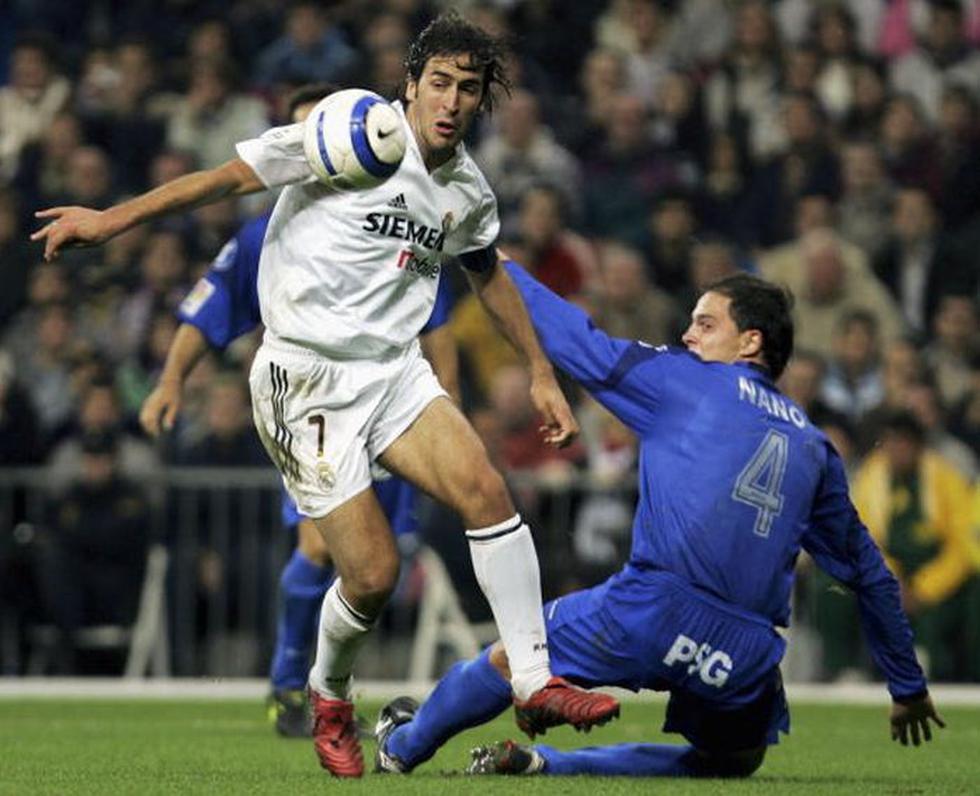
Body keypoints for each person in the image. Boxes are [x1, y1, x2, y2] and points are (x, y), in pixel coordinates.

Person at [32, 14, 618, 778]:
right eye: (437, 82)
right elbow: (228, 177)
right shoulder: (351, 131)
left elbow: (487, 272)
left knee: (485, 489)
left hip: (393, 369)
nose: (449, 100)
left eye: (466, 89)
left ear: (480, 103)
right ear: (410, 85)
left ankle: (535, 682)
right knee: (370, 577)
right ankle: (329, 694)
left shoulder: (466, 186)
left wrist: (540, 369)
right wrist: (112, 220)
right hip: (303, 376)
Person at [372, 262, 944, 779]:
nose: (687, 336)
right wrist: (907, 686)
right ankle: (546, 767)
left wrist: (490, 260)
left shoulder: (685, 381)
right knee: (732, 760)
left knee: (511, 658)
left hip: (648, 612)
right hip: (742, 654)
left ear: (751, 342)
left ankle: (402, 747)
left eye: (705, 324)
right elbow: (869, 575)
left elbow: (577, 341)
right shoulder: (816, 448)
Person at [139, 81, 463, 738]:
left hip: (393, 404)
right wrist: (171, 379)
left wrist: (444, 403)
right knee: (319, 548)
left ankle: (323, 688)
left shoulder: (398, 214)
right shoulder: (267, 232)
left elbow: (439, 327)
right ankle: (293, 683)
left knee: (376, 568)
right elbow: (212, 308)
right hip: (314, 406)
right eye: (301, 131)